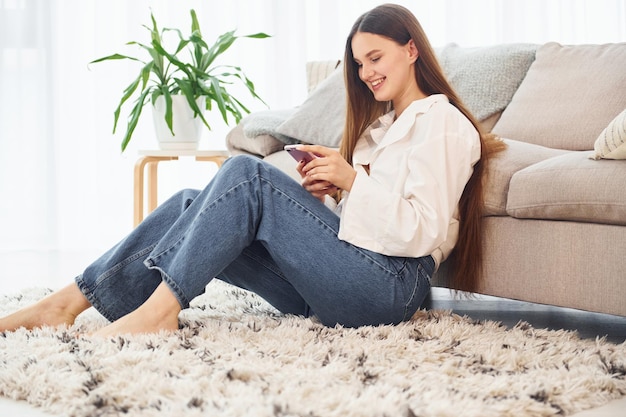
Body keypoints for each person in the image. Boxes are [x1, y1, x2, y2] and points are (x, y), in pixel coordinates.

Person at [0, 3, 505, 336]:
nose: (367, 72)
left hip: (391, 290)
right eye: (359, 64)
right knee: (190, 205)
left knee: (247, 174)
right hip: (342, 284)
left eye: (376, 57)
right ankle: (68, 302)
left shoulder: (439, 120)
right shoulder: (381, 129)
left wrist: (355, 180)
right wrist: (335, 194)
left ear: (411, 49)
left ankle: (160, 311)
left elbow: (422, 231)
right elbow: (368, 221)